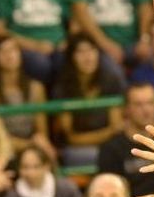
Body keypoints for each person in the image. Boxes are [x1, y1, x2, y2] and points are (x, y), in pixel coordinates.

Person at [54, 33, 125, 166]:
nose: (87, 57)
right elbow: (71, 138)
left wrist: (107, 134)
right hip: (77, 150)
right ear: (71, 57)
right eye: (80, 52)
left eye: (91, 50)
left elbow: (116, 128)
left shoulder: (111, 81)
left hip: (109, 145)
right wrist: (106, 133)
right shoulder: (62, 89)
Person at [0, 36, 53, 156]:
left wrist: (36, 143)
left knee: (44, 148)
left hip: (32, 147)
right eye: (3, 51)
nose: (9, 55)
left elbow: (42, 131)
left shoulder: (36, 88)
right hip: (3, 148)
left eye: (13, 50)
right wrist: (28, 144)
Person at [98, 83, 154, 197]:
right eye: (138, 104)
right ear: (126, 109)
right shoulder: (110, 149)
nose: (146, 110)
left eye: (150, 103)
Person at [5, 145, 83, 197]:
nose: (30, 173)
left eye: (36, 167)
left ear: (46, 167)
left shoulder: (67, 189)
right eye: (25, 167)